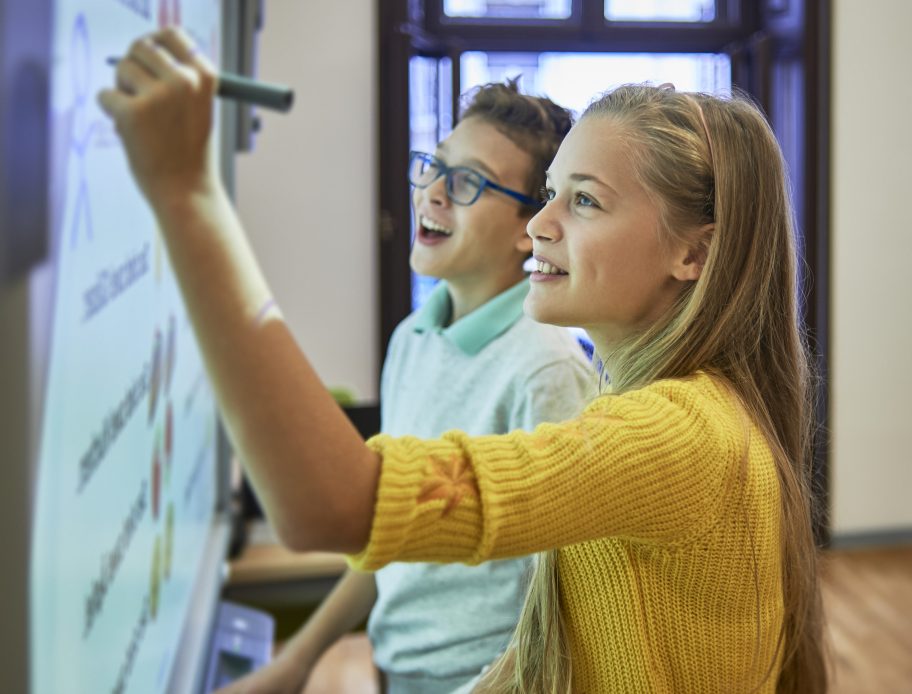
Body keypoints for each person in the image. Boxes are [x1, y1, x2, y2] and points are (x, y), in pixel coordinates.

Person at [102, 28, 827, 693]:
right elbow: (551, 656)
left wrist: (188, 194)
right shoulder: (659, 412)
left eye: (584, 202)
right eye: (549, 195)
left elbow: (333, 504)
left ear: (693, 252)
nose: (540, 226)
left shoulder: (672, 434)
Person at [219, 81, 594, 694]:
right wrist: (298, 660)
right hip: (396, 671)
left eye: (468, 181)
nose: (434, 193)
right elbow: (387, 531)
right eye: (434, 166)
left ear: (531, 227)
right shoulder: (413, 338)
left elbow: (564, 609)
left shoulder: (546, 372)